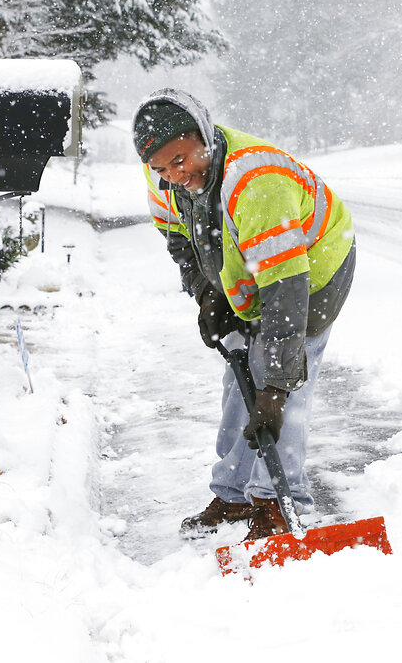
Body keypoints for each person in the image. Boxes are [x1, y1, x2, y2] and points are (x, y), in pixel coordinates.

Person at [132, 88, 356, 541]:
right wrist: (206, 294)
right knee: (239, 378)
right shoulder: (163, 174)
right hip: (252, 267)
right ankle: (234, 495)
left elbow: (286, 295)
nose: (176, 175)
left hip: (313, 271)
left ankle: (281, 502)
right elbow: (180, 241)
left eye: (182, 160)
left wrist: (274, 389)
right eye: (161, 167)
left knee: (282, 386)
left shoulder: (258, 181)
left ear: (205, 139)